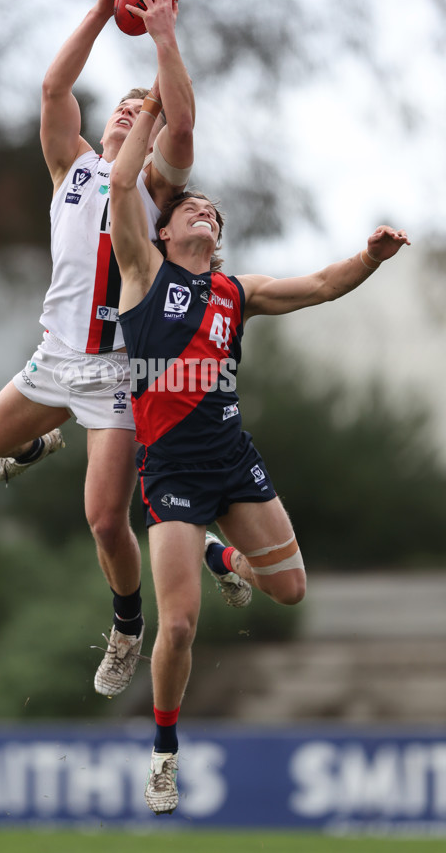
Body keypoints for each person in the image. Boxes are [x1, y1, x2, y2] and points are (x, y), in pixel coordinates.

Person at [109, 77, 411, 814]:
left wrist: (369, 258)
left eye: (214, 211)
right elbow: (123, 182)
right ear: (165, 233)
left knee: (290, 589)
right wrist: (151, 109)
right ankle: (165, 753)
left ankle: (223, 556)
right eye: (191, 209)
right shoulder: (142, 272)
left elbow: (318, 287)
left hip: (234, 461)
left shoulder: (235, 292)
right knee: (178, 623)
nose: (206, 211)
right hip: (174, 471)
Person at [0, 0, 195, 698]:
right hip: (56, 357)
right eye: (120, 114)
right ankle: (37, 438)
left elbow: (180, 122)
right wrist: (101, 10)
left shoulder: (154, 190)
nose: (128, 117)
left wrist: (163, 45)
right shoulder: (73, 167)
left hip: (118, 374)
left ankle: (127, 626)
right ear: (101, 129)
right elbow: (52, 91)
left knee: (103, 521)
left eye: (141, 116)